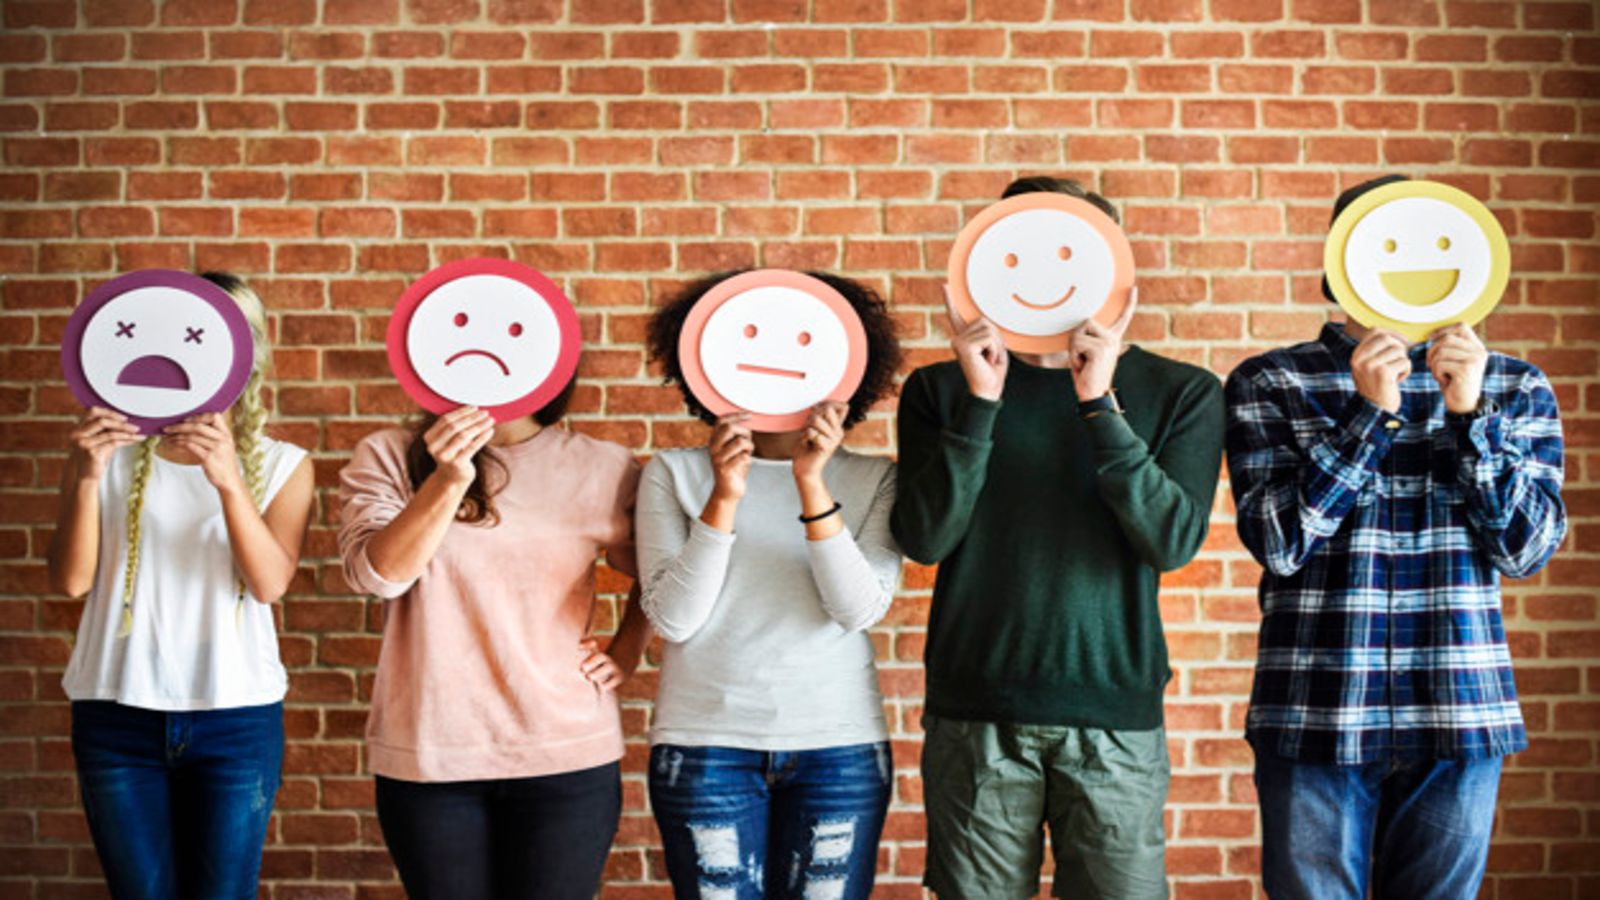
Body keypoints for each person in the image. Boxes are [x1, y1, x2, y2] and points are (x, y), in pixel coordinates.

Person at [1225, 174, 1567, 900]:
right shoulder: (1273, 381)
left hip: (1461, 706)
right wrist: (1369, 416)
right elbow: (1281, 542)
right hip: (1315, 707)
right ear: (1342, 261)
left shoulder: (1516, 386)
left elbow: (1526, 549)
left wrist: (1470, 415)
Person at [892, 177, 1225, 899]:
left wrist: (1098, 402)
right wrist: (983, 402)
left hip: (1113, 716)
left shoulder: (1183, 391)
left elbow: (1170, 541)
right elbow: (925, 537)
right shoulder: (939, 392)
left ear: (1113, 270)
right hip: (977, 713)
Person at [636, 270, 904, 900]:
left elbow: (857, 608)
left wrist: (812, 483)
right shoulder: (672, 474)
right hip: (705, 748)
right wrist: (726, 496)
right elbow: (674, 619)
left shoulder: (874, 479)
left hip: (837, 748)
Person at [49, 272, 316, 899]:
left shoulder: (284, 464)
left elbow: (270, 583)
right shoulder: (102, 453)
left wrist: (227, 481)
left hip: (236, 719)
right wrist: (88, 477)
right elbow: (70, 580)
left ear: (242, 356)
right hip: (115, 713)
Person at [337, 378, 648, 900]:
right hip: (432, 752)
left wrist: (627, 650)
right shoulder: (387, 455)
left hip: (564, 753)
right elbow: (378, 576)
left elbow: (663, 572)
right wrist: (449, 477)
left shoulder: (603, 466)